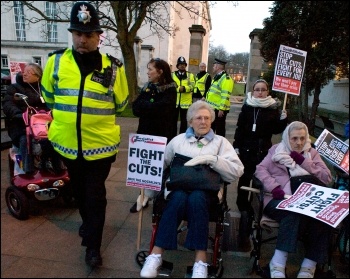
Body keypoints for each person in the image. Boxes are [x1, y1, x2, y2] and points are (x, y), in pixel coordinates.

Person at [40, 1, 129, 268]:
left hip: (100, 147)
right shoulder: (56, 62)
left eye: (89, 34)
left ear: (99, 36)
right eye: (78, 33)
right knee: (79, 192)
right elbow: (49, 97)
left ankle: (93, 246)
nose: (82, 39)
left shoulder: (113, 67)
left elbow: (121, 103)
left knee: (95, 195)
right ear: (72, 34)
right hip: (67, 144)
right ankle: (88, 224)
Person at [140, 100, 244, 278]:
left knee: (196, 198)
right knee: (179, 197)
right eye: (199, 118)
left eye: (207, 118)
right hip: (178, 188)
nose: (203, 121)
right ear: (190, 122)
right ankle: (156, 255)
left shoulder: (220, 143)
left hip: (206, 192)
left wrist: (213, 160)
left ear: (211, 121)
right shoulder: (177, 141)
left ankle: (200, 261)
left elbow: (237, 171)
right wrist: (146, 194)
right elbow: (159, 167)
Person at [255, 121, 332, 278]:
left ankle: (309, 267)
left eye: (303, 138)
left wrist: (304, 161)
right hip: (280, 198)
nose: (299, 143)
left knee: (325, 218)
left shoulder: (312, 153)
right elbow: (260, 169)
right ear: (287, 137)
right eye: (295, 138)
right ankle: (277, 265)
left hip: (307, 201)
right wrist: (274, 187)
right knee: (292, 213)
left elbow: (327, 178)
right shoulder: (276, 150)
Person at [232, 78, 288, 252]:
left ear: (267, 91)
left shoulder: (272, 108)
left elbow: (276, 130)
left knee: (260, 181)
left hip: (263, 151)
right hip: (247, 149)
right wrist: (236, 145)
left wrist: (283, 119)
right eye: (257, 89)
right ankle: (243, 208)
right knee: (244, 179)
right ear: (253, 91)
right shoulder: (247, 106)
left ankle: (259, 208)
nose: (260, 92)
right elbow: (240, 127)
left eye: (263, 89)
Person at [129, 57, 177, 213]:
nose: (148, 72)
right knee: (143, 167)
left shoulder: (170, 89)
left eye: (150, 69)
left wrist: (147, 106)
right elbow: (135, 108)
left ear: (160, 71)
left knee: (159, 168)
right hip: (144, 133)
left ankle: (158, 198)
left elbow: (163, 110)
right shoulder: (148, 87)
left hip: (161, 136)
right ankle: (142, 196)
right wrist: (150, 106)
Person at [2, 63, 46, 173]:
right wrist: (20, 114)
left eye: (29, 72)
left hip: (42, 125)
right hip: (21, 125)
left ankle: (56, 168)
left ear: (38, 76)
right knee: (24, 141)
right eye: (24, 71)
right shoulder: (14, 88)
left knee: (55, 139)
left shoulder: (44, 89)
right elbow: (7, 104)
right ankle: (24, 172)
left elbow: (50, 103)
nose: (25, 74)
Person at [205, 58, 234, 137]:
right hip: (213, 108)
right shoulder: (217, 77)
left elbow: (225, 95)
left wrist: (221, 109)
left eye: (214, 65)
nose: (213, 67)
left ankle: (221, 145)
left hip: (219, 109)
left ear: (218, 66)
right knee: (212, 128)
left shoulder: (226, 78)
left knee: (220, 129)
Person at [171, 56, 196, 135]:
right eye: (180, 64)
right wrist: (179, 89)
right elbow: (170, 86)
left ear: (185, 66)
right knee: (173, 121)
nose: (182, 65)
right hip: (174, 102)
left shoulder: (190, 75)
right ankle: (173, 137)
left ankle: (182, 137)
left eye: (183, 64)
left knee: (184, 122)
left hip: (186, 102)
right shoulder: (172, 75)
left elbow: (193, 86)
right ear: (177, 66)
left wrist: (185, 88)